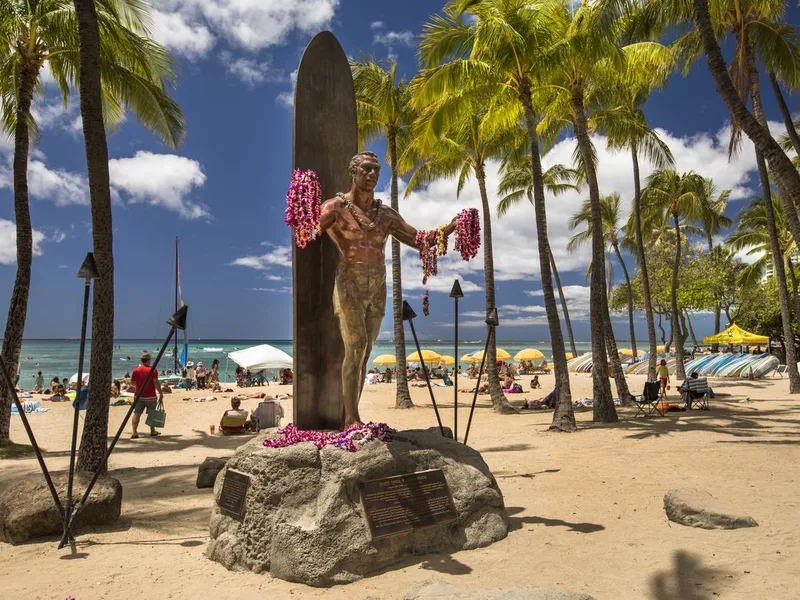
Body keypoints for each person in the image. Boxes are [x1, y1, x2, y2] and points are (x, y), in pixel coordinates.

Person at [318, 150, 458, 427]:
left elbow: (420, 240)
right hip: (349, 279)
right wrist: (302, 203)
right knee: (355, 346)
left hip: (378, 283)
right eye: (366, 169)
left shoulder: (386, 215)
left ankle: (353, 414)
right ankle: (350, 419)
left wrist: (451, 228)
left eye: (376, 171)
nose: (371, 175)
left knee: (366, 351)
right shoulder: (335, 207)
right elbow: (308, 231)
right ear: (354, 173)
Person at [130, 351, 163, 439]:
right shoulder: (153, 370)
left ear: (141, 360)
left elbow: (132, 383)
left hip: (138, 396)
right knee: (151, 414)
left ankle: (134, 432)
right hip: (150, 396)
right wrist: (160, 393)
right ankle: (152, 431)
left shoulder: (136, 370)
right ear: (149, 360)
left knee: (137, 414)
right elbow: (156, 382)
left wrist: (139, 386)